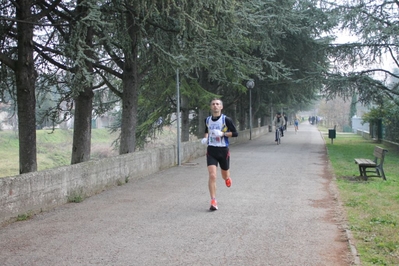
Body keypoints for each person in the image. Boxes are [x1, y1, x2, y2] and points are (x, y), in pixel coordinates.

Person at [201, 98, 238, 211]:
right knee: (212, 175)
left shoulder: (226, 119)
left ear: (221, 107)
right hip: (211, 150)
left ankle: (227, 178)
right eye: (213, 104)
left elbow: (235, 133)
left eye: (217, 104)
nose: (215, 106)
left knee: (224, 175)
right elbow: (207, 130)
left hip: (223, 150)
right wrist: (205, 138)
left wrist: (223, 134)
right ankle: (213, 200)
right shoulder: (207, 120)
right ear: (211, 107)